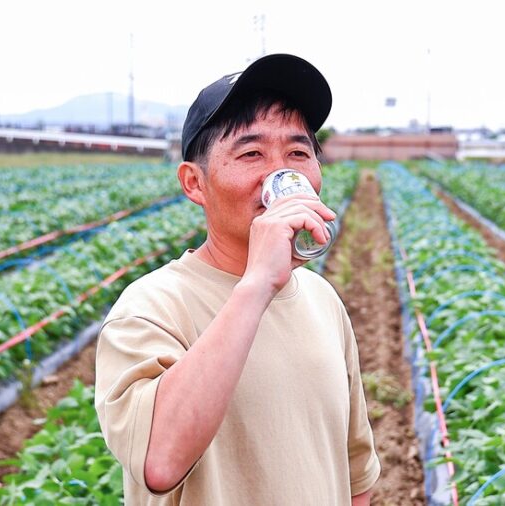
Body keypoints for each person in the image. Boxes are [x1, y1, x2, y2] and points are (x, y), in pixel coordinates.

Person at [95, 53, 380, 505]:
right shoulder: (151, 307)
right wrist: (257, 284)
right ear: (194, 183)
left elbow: (355, 475)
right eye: (251, 153)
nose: (282, 174)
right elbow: (159, 461)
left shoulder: (322, 298)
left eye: (298, 153)